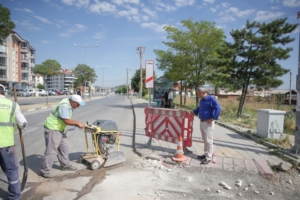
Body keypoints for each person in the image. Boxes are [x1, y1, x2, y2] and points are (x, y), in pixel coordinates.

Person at [40, 94, 86, 178]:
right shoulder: (65, 106)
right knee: (51, 150)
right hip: (53, 128)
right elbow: (66, 121)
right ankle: (45, 170)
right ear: (73, 102)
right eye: (78, 104)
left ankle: (65, 165)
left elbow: (66, 120)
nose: (78, 106)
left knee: (64, 148)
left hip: (60, 129)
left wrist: (77, 125)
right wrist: (78, 123)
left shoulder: (69, 104)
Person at [0, 84, 27, 200]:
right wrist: (20, 126)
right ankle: (14, 196)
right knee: (11, 171)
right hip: (6, 144)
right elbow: (23, 123)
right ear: (4, 93)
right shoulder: (12, 105)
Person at [193, 87, 221, 165]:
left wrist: (213, 118)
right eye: (197, 93)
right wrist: (194, 112)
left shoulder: (211, 99)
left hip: (208, 123)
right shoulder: (202, 100)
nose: (198, 95)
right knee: (204, 139)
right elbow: (200, 108)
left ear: (204, 92)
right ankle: (205, 154)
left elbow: (218, 108)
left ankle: (208, 157)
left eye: (199, 93)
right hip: (202, 121)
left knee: (209, 140)